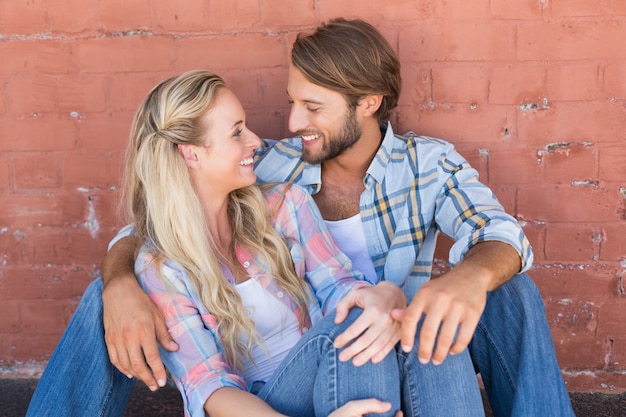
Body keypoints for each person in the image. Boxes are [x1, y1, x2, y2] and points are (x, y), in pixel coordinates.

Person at [26, 18, 573, 417]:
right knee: (107, 296)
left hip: (396, 335)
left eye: (313, 107)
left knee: (500, 292)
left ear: (367, 102)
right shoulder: (274, 168)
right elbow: (165, 221)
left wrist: (460, 281)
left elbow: (501, 234)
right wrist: (119, 280)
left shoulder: (427, 165)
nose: (290, 122)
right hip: (328, 356)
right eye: (292, 102)